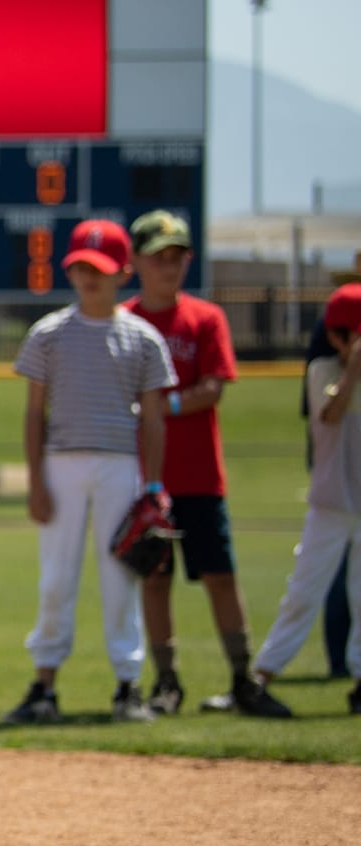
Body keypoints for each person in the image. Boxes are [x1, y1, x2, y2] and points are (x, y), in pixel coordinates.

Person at [6, 220, 177, 725]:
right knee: (56, 578)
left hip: (120, 466)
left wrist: (153, 487)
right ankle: (44, 684)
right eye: (81, 267)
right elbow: (35, 413)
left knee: (119, 577)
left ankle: (128, 684)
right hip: (61, 462)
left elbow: (153, 419)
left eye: (99, 269)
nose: (88, 278)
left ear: (123, 272)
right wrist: (35, 480)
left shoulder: (142, 339)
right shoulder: (50, 334)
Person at [119, 211, 261, 715]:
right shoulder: (124, 322)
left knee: (220, 576)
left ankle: (244, 679)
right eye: (159, 257)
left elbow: (213, 388)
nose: (169, 266)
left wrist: (163, 404)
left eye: (177, 256)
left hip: (200, 476)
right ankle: (167, 682)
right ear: (135, 261)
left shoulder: (204, 319)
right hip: (147, 479)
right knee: (155, 580)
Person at [236, 283, 361, 718]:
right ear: (336, 337)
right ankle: (261, 678)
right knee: (303, 592)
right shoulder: (322, 372)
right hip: (330, 501)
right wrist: (353, 369)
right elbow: (329, 416)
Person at [300, 314, 353, 679]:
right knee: (326, 574)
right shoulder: (326, 363)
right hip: (337, 480)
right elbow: (324, 413)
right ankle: (339, 660)